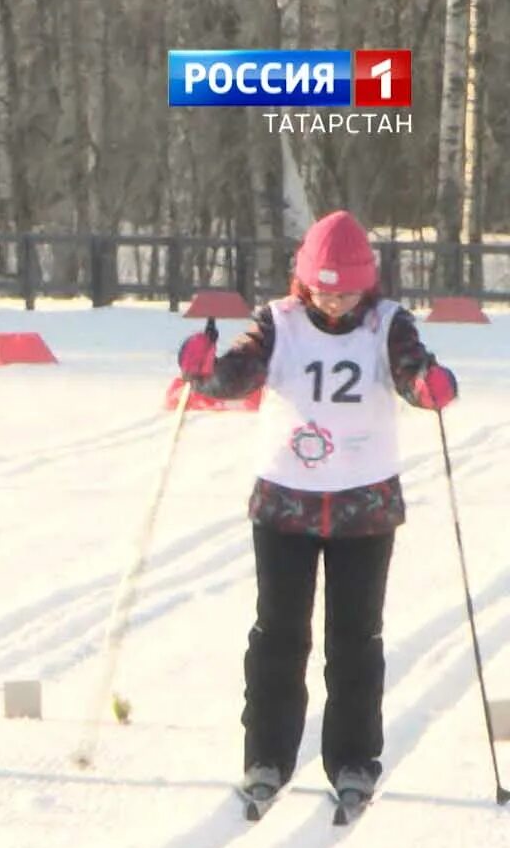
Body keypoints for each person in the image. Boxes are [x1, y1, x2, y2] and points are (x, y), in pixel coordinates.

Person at [177, 209, 458, 807]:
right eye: (324, 290)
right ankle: (266, 757)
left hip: (365, 506)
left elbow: (414, 374)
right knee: (279, 633)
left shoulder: (388, 325)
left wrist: (431, 387)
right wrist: (204, 372)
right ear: (303, 281)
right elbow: (237, 374)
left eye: (347, 290)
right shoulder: (276, 323)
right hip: (285, 505)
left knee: (356, 637)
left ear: (368, 284)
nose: (334, 303)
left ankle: (354, 759)